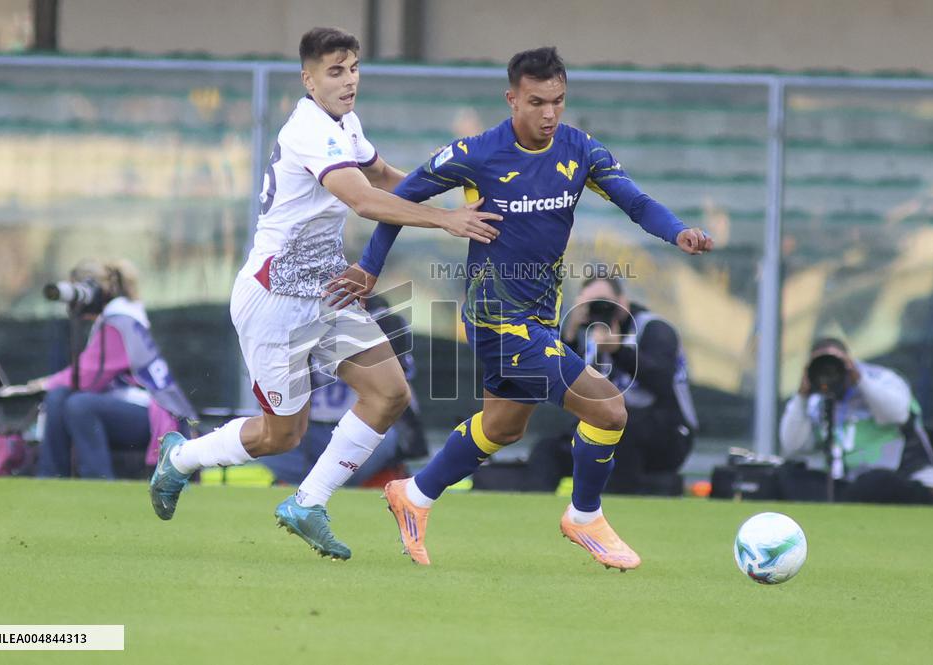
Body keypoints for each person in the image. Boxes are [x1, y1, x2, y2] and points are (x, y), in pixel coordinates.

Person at [327, 47, 713, 569]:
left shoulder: (579, 149)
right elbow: (401, 202)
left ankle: (413, 495)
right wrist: (370, 267)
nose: (549, 113)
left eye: (558, 101)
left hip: (540, 316)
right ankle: (584, 516)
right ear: (512, 99)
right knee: (608, 407)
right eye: (536, 102)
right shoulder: (478, 154)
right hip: (496, 318)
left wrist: (678, 231)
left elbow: (636, 202)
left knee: (504, 426)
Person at [148, 27, 502, 561]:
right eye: (335, 71)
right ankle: (181, 458)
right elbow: (363, 199)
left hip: (325, 292)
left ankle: (308, 502)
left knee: (389, 393)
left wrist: (459, 188)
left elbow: (384, 177)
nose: (349, 80)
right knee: (281, 436)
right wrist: (445, 220)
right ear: (308, 80)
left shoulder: (345, 124)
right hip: (274, 299)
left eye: (354, 68)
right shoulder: (308, 129)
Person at [0, 259, 195, 479]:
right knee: (59, 396)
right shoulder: (118, 318)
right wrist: (52, 386)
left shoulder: (119, 322)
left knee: (79, 404)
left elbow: (89, 377)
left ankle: (97, 479)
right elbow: (88, 372)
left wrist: (44, 384)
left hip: (158, 416)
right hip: (136, 406)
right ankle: (50, 476)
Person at [526, 275, 699, 495]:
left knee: (621, 433)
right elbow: (560, 385)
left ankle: (613, 505)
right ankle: (538, 507)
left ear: (623, 301)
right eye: (590, 305)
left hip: (667, 434)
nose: (600, 310)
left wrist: (618, 351)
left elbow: (662, 381)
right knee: (547, 450)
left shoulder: (653, 329)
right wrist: (569, 336)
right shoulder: (589, 337)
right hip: (607, 430)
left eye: (605, 302)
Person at [258, 295, 428, 485]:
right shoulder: (297, 317)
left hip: (364, 424)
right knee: (269, 433)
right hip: (307, 427)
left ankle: (324, 486)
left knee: (385, 437)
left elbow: (399, 380)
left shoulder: (386, 321)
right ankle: (307, 486)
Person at [778, 337, 933, 505]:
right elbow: (792, 446)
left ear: (849, 361)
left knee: (874, 482)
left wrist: (859, 379)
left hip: (902, 479)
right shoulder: (815, 400)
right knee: (784, 476)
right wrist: (801, 396)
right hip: (844, 484)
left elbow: (897, 413)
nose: (829, 370)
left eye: (835, 362)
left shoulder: (882, 379)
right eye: (821, 364)